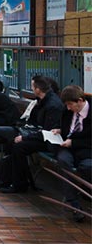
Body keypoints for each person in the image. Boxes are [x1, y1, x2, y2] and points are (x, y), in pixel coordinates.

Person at [0, 75, 62, 176]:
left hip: (28, 132)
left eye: (32, 86)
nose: (31, 89)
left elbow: (45, 129)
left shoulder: (51, 104)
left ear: (38, 89)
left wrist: (24, 135)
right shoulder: (40, 101)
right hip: (25, 129)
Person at [51, 85, 91, 222]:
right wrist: (59, 130)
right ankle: (74, 203)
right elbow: (66, 127)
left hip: (86, 150)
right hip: (67, 147)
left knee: (87, 166)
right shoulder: (67, 111)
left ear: (80, 101)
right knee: (63, 161)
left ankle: (84, 195)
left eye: (70, 104)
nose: (68, 108)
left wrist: (73, 143)